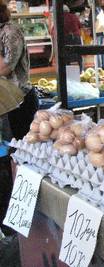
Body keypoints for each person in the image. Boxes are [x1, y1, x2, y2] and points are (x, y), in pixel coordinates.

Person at [0, 2, 38, 233]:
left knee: (20, 157)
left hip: (19, 102)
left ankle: (23, 216)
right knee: (6, 157)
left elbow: (7, 64)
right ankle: (10, 217)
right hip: (4, 104)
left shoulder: (10, 31)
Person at [62, 4, 83, 71]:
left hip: (66, 38)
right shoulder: (74, 16)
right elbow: (80, 26)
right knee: (78, 53)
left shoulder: (60, 17)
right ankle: (80, 70)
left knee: (67, 55)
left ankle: (69, 71)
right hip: (76, 37)